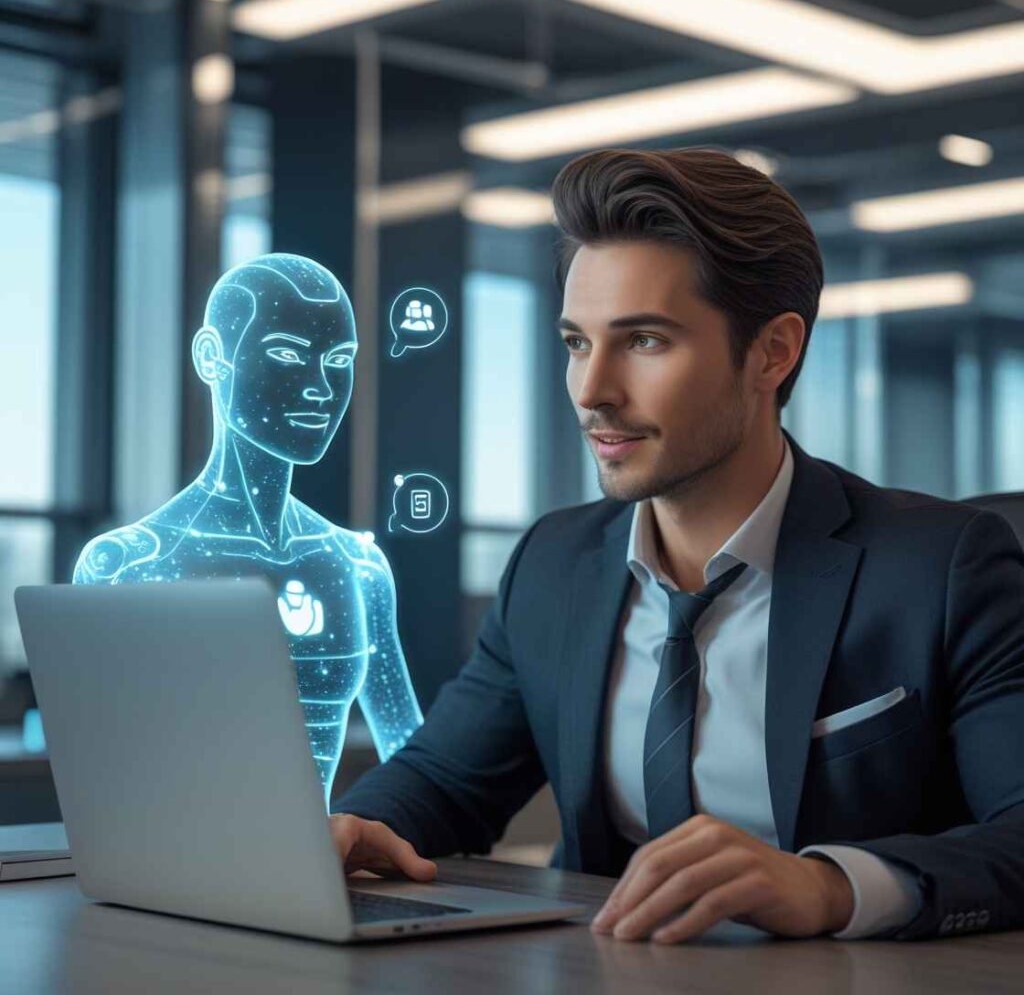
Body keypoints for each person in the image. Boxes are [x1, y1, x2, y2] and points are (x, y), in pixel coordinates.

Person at [340, 146, 1024, 943]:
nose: (592, 391)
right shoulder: (553, 566)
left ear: (773, 352)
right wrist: (352, 828)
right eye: (574, 343)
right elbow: (444, 781)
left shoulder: (942, 569)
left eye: (645, 342)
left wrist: (828, 886)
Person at [74, 253, 422, 799]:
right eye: (287, 354)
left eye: (339, 360)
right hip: (172, 875)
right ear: (213, 357)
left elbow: (416, 766)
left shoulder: (357, 564)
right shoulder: (130, 564)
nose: (320, 387)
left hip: (319, 878)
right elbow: (100, 776)